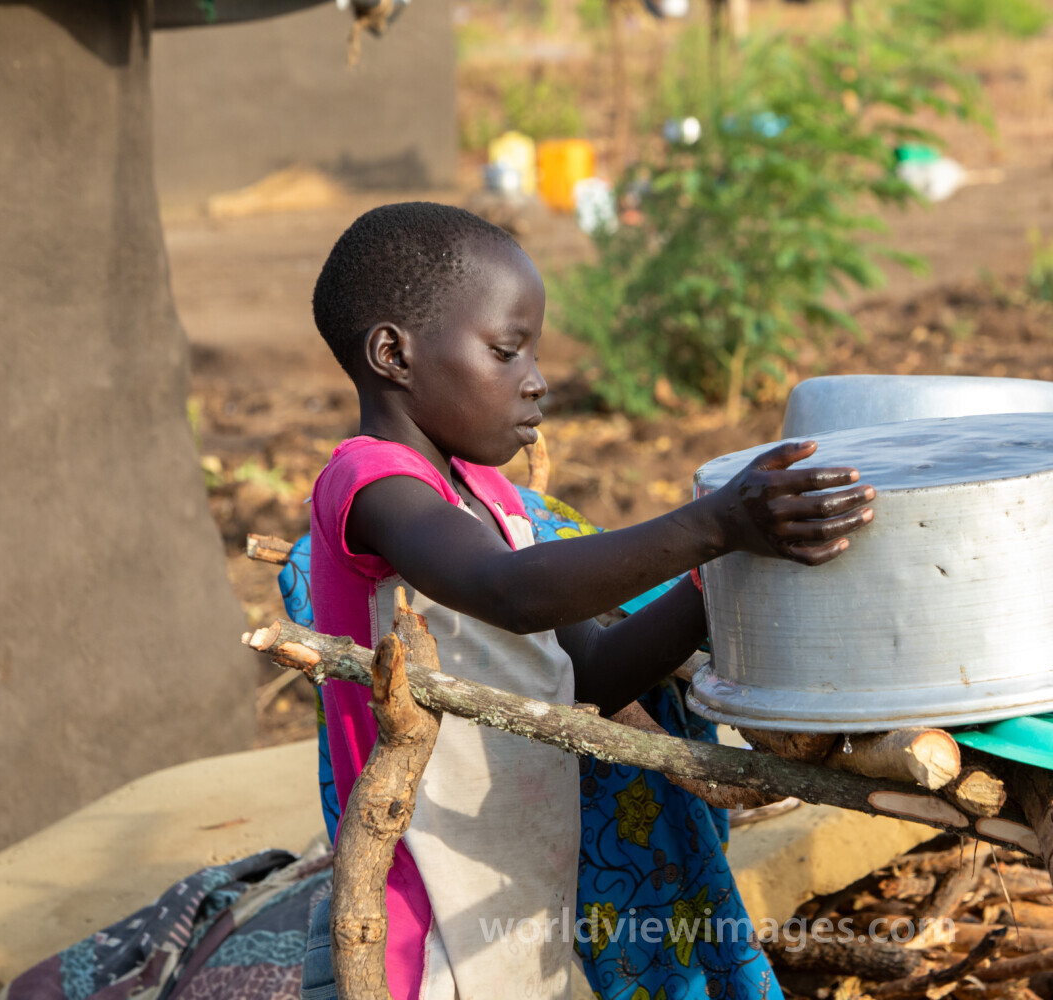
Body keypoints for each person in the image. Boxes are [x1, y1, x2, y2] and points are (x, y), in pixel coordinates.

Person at [306, 202, 875, 1000]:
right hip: (421, 914)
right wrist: (712, 523)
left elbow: (595, 675)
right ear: (394, 354)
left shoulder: (492, 500)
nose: (537, 380)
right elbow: (510, 594)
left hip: (514, 885)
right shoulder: (370, 486)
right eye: (507, 351)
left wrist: (726, 573)